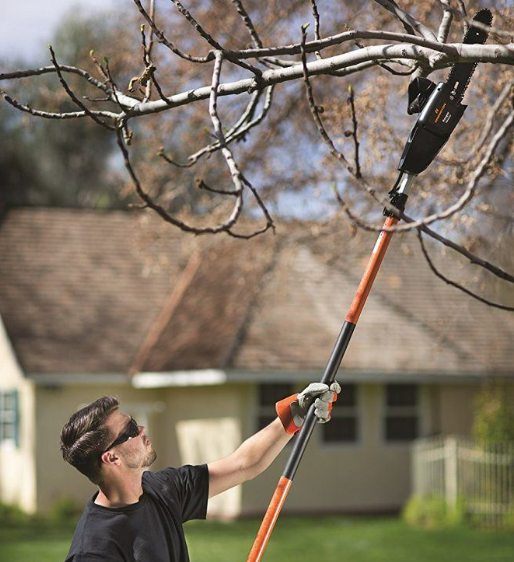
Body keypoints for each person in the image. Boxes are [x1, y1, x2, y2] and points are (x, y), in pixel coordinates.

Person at [60, 382, 340, 562]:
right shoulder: (95, 551)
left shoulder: (163, 489)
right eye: (131, 430)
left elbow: (244, 464)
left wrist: (294, 415)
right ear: (111, 457)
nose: (142, 430)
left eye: (135, 422)